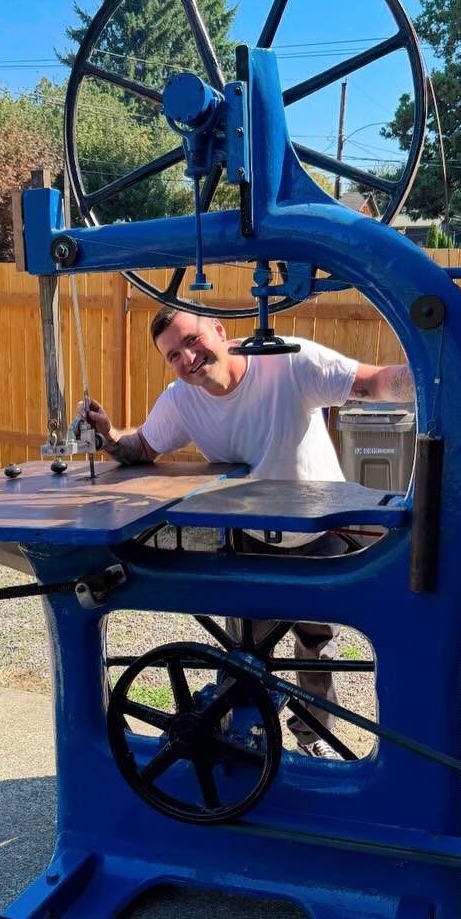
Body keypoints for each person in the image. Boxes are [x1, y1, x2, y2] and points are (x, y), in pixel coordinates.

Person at [83, 307, 413, 757]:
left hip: (320, 531)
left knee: (314, 647)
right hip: (252, 539)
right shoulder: (182, 400)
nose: (189, 358)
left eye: (193, 340)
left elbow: (372, 382)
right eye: (174, 355)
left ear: (220, 330)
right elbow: (139, 447)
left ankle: (311, 742)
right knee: (243, 652)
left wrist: (431, 382)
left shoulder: (290, 363)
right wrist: (107, 437)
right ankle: (242, 747)